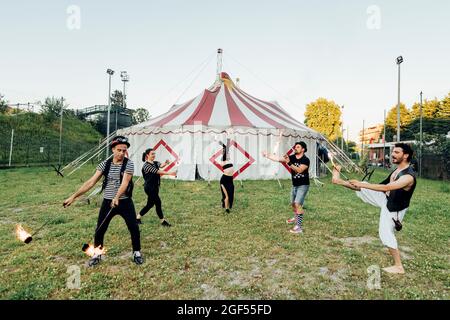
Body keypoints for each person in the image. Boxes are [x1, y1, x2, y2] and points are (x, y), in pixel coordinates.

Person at [331, 143, 417, 274]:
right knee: (364, 186)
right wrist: (363, 185)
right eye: (393, 151)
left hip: (394, 208)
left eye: (397, 152)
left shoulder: (408, 177)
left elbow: (387, 187)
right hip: (386, 199)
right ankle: (338, 181)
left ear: (405, 156)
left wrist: (361, 184)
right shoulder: (397, 170)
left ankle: (399, 266)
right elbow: (384, 186)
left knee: (386, 233)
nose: (393, 154)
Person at [63, 136, 143, 266]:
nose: (122, 153)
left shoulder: (129, 164)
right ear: (112, 149)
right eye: (119, 150)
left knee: (133, 228)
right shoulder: (104, 164)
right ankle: (97, 254)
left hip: (125, 202)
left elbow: (125, 183)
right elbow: (90, 182)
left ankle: (137, 252)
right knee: (100, 229)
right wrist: (73, 196)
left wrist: (117, 197)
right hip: (107, 202)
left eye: (124, 150)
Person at [263, 141, 310, 234]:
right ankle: (295, 217)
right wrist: (267, 155)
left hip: (303, 185)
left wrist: (289, 163)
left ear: (303, 149)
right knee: (293, 204)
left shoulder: (306, 160)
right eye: (295, 147)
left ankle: (299, 227)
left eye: (298, 147)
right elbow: (278, 159)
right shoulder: (292, 157)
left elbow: (299, 170)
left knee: (297, 204)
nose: (295, 148)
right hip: (294, 185)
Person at [136, 148, 177, 226]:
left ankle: (137, 218)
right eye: (152, 154)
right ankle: (163, 221)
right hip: (149, 188)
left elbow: (161, 166)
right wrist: (170, 173)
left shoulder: (155, 163)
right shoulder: (146, 166)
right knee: (158, 202)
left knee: (150, 204)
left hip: (155, 187)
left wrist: (166, 162)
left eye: (154, 154)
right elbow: (158, 171)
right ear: (147, 155)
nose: (154, 155)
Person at [217, 139, 235, 213]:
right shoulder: (223, 161)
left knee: (231, 193)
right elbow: (225, 148)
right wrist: (221, 143)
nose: (228, 154)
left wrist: (228, 139)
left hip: (230, 179)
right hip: (224, 180)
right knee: (226, 195)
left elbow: (227, 149)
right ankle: (227, 209)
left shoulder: (229, 160)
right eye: (226, 154)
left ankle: (227, 204)